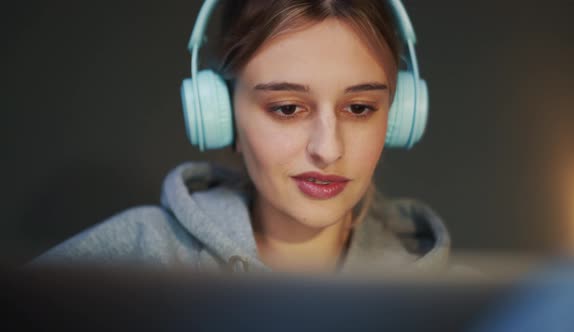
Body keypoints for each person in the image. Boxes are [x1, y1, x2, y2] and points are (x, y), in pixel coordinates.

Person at [31, 0, 450, 275]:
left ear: (398, 115)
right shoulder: (133, 258)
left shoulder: (457, 296)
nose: (328, 149)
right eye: (287, 108)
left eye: (359, 108)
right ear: (220, 113)